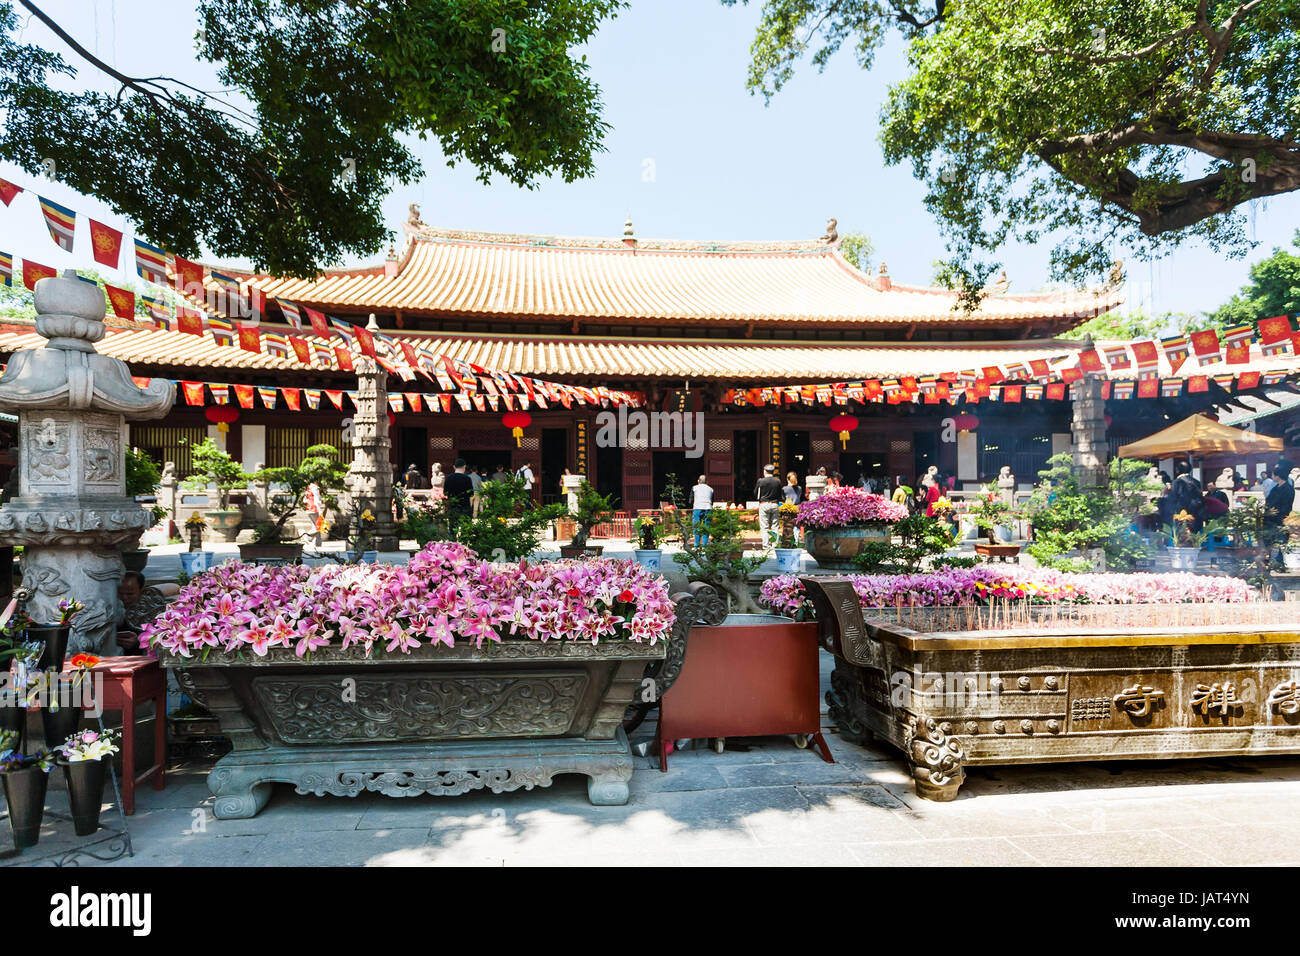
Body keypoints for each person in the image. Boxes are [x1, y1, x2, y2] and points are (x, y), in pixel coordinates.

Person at [754, 464, 783, 548]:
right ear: (773, 472)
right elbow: (780, 494)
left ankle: (766, 545)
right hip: (774, 504)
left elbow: (756, 494)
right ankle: (775, 544)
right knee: (775, 526)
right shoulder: (778, 481)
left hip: (764, 504)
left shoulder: (760, 481)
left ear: (765, 471)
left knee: (764, 526)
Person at [691, 474, 714, 546]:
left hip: (697, 507)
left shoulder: (694, 488)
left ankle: (696, 544)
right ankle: (704, 544)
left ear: (698, 481)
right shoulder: (711, 489)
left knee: (696, 526)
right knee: (706, 526)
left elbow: (690, 499)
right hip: (708, 508)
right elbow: (712, 500)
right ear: (707, 482)